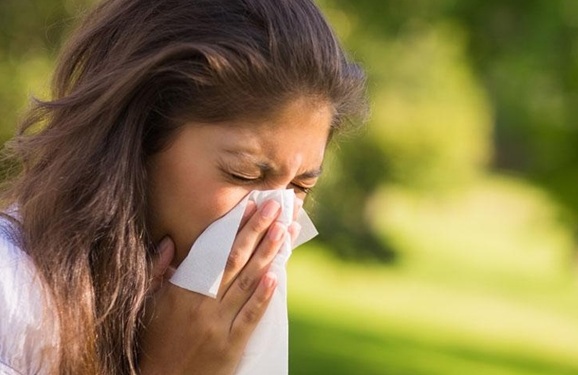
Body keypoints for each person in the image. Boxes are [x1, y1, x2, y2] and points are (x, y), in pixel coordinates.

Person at [0, 0, 367, 373]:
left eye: (301, 186)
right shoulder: (12, 299)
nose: (275, 222)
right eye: (243, 174)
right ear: (139, 142)